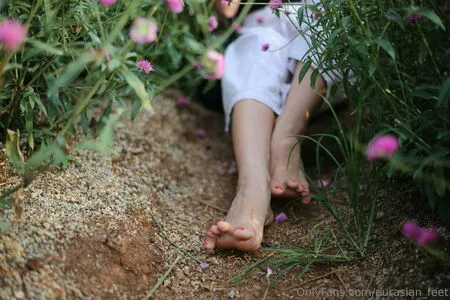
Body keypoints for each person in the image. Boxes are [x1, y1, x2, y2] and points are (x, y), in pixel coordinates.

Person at [203, 0, 337, 251]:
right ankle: (251, 191)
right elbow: (228, 9)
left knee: (334, 22)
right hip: (267, 24)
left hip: (326, 44)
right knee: (255, 49)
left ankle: (286, 139)